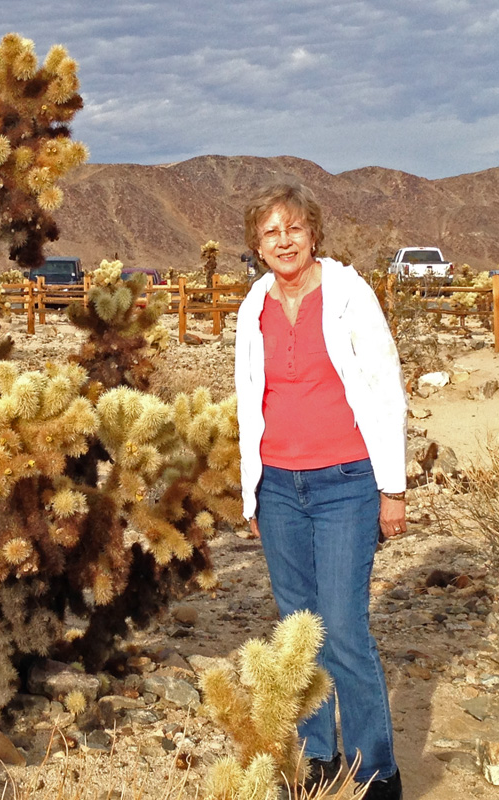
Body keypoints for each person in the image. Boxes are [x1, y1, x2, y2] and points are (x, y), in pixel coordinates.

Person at [234, 179, 406, 800]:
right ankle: (314, 761)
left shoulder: (349, 293)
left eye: (294, 229)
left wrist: (393, 489)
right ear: (257, 244)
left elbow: (385, 388)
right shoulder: (252, 304)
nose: (284, 241)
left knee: (344, 629)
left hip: (345, 484)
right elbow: (249, 400)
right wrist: (251, 490)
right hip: (278, 487)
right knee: (296, 629)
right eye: (271, 232)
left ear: (313, 234)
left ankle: (375, 773)